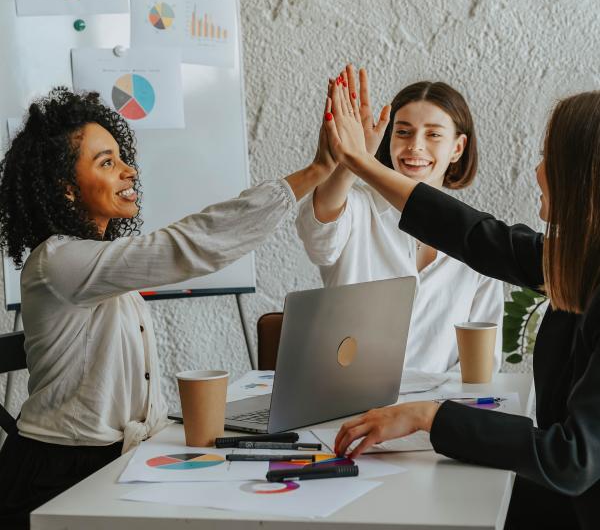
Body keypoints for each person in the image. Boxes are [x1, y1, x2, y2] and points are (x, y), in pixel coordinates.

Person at [0, 87, 336, 528]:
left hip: (114, 461)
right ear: (65, 190)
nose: (129, 171)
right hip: (58, 475)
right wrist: (318, 170)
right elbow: (188, 246)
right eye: (107, 163)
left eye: (122, 158)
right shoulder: (58, 262)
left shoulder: (100, 260)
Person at [327, 71, 600, 529]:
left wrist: (428, 417)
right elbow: (475, 235)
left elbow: (570, 458)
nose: (535, 171)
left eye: (546, 157)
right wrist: (360, 163)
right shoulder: (580, 260)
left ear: (580, 176)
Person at [296, 66, 503, 372]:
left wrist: (433, 414)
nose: (415, 145)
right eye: (403, 131)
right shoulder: (356, 207)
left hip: (435, 411)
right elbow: (318, 236)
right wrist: (353, 159)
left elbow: (482, 361)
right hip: (348, 405)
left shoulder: (478, 237)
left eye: (433, 134)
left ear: (457, 148)